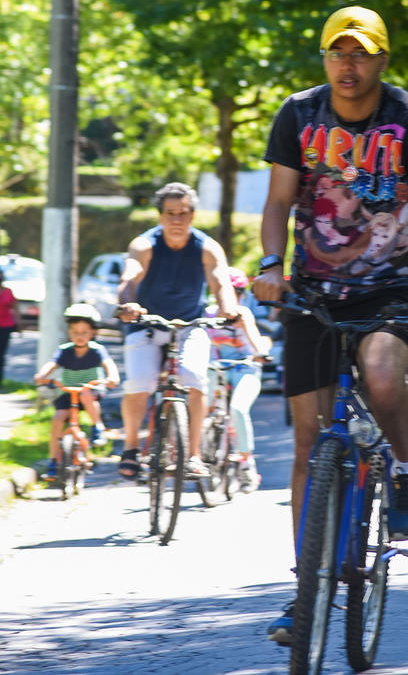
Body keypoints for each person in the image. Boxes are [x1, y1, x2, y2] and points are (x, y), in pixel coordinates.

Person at [252, 4, 408, 644]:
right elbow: (278, 202)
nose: (349, 65)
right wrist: (270, 266)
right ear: (325, 58)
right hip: (314, 292)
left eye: (361, 53)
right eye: (338, 53)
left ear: (381, 59)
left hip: (391, 289)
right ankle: (305, 591)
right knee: (307, 442)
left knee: (381, 374)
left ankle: (407, 468)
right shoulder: (298, 114)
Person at [116, 182, 239, 480]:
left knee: (194, 378)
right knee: (141, 382)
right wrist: (128, 303)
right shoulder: (144, 245)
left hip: (190, 324)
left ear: (193, 215)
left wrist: (229, 308)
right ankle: (131, 447)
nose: (176, 220)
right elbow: (130, 277)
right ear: (160, 216)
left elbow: (221, 281)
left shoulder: (207, 247)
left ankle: (193, 456)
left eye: (183, 213)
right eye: (170, 213)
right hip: (146, 323)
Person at [34, 303, 120, 480]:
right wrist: (42, 375)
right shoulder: (64, 351)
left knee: (86, 394)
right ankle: (54, 461)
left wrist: (113, 377)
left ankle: (97, 427)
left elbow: (109, 365)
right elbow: (52, 364)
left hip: (90, 390)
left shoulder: (97, 350)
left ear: (92, 333)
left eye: (84, 332)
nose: (79, 336)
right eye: (75, 332)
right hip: (68, 391)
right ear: (69, 332)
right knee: (58, 418)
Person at [206, 266, 271, 492]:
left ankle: (246, 462)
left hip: (246, 369)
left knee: (238, 409)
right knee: (201, 405)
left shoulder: (243, 314)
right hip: (216, 369)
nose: (235, 298)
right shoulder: (208, 314)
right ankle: (194, 452)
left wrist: (261, 352)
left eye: (239, 293)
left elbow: (255, 338)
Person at [0, 268, 20, 387]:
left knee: (1, 354)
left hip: (6, 326)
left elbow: (15, 308)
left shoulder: (8, 292)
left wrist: (19, 323)